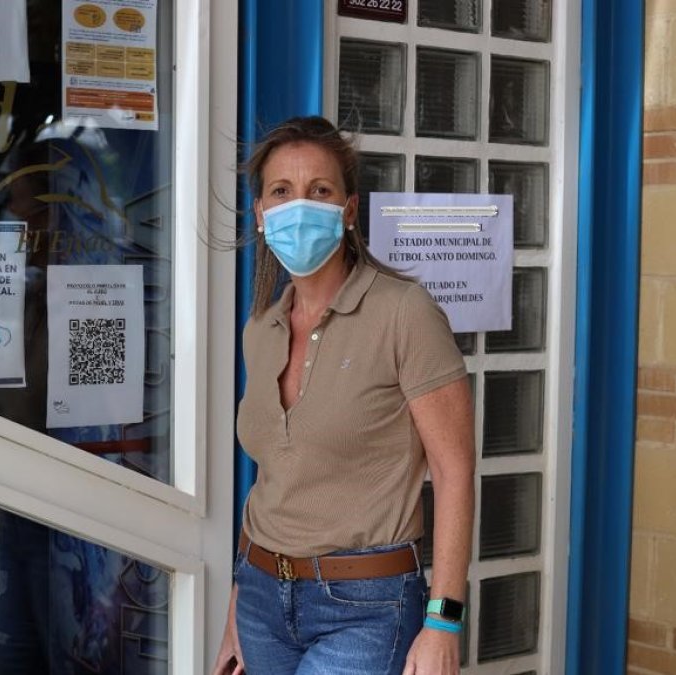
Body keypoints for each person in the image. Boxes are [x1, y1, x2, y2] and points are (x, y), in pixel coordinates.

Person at [214, 116, 475, 675]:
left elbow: (454, 470)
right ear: (261, 214)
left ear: (349, 210)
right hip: (261, 597)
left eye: (320, 191)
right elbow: (273, 476)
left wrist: (444, 620)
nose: (298, 206)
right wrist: (238, 605)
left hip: (366, 607)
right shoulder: (261, 327)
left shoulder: (405, 313)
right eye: (281, 192)